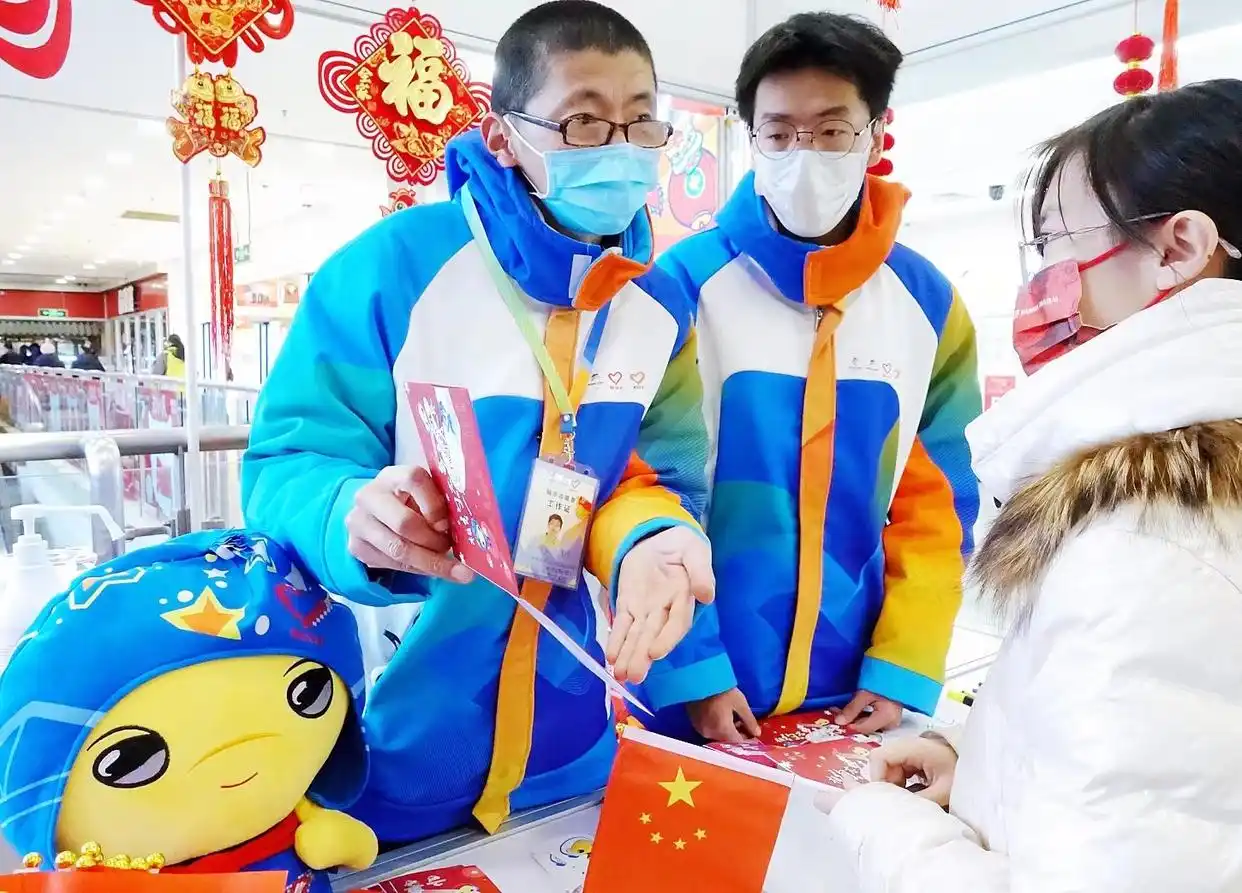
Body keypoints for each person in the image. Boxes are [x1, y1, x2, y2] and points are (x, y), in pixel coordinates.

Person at [243, 0, 714, 845]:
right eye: (582, 121)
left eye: (641, 122)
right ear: (502, 136)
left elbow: (661, 478)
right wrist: (350, 512)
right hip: (384, 753)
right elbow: (287, 460)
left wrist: (652, 543)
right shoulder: (391, 269)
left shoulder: (657, 305)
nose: (618, 147)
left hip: (573, 746)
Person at [819, 79, 1242, 891]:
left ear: (1180, 247)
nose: (1043, 278)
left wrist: (877, 825)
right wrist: (977, 764)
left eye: (1054, 240)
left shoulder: (1149, 541)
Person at [651, 13, 980, 742]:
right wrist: (692, 669)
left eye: (832, 131)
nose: (803, 154)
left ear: (875, 134)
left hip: (853, 695)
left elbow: (938, 505)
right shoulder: (681, 286)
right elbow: (651, 488)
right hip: (688, 686)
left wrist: (903, 661)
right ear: (751, 137)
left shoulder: (928, 305)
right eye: (779, 133)